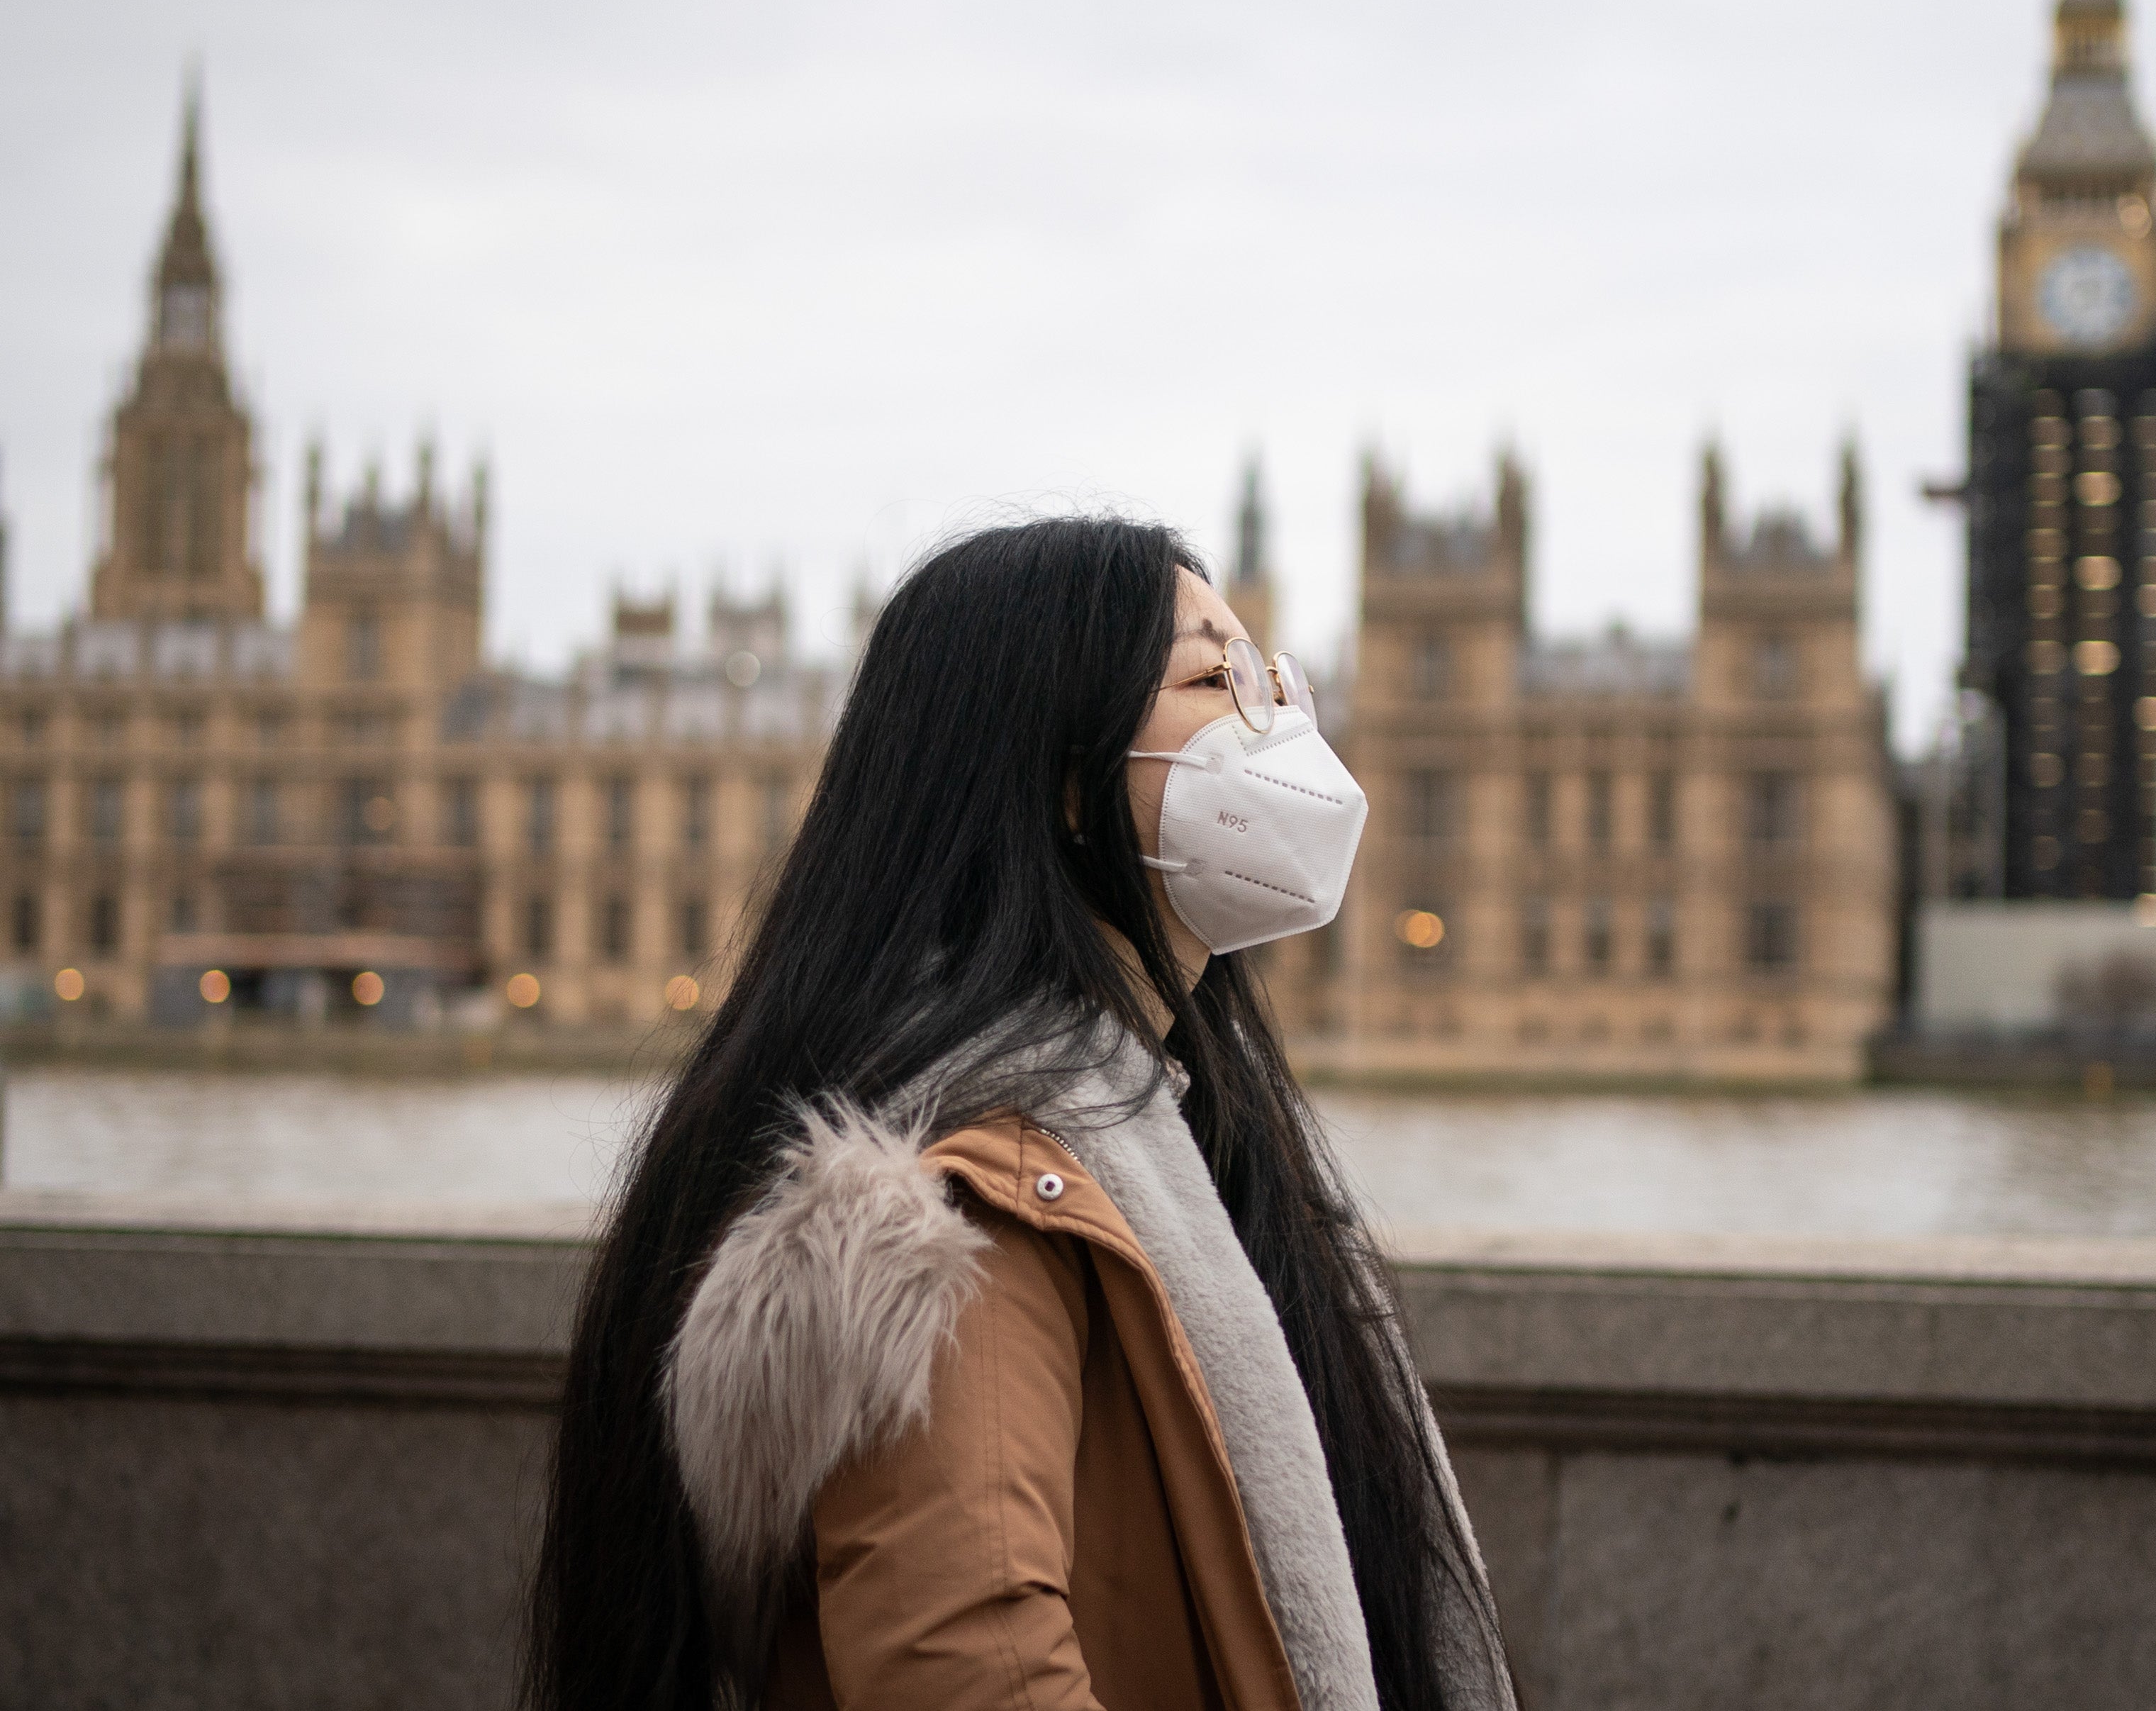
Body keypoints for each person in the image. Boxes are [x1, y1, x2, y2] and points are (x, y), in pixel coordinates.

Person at [525, 517, 1515, 1711]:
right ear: (1059, 773)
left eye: (1275, 683)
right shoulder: (977, 1202)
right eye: (1216, 681)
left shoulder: (1191, 1141)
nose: (1279, 731)